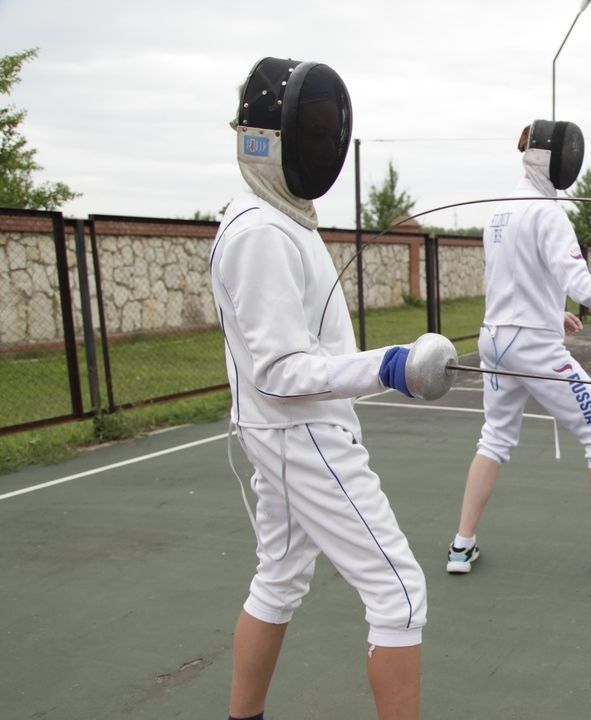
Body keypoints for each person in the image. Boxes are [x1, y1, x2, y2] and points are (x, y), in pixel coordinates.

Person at [210, 58, 426, 720]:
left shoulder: (282, 220)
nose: (323, 146)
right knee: (399, 594)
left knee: (279, 577)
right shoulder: (260, 232)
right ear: (267, 141)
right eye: (311, 134)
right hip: (299, 433)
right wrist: (387, 365)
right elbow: (279, 369)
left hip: (288, 431)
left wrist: (382, 365)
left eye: (327, 133)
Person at [446, 120, 591, 576]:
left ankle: (461, 546)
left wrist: (552, 311)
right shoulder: (548, 214)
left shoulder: (500, 212)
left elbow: (512, 280)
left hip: (494, 340)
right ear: (553, 158)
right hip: (532, 348)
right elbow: (584, 287)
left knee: (494, 438)